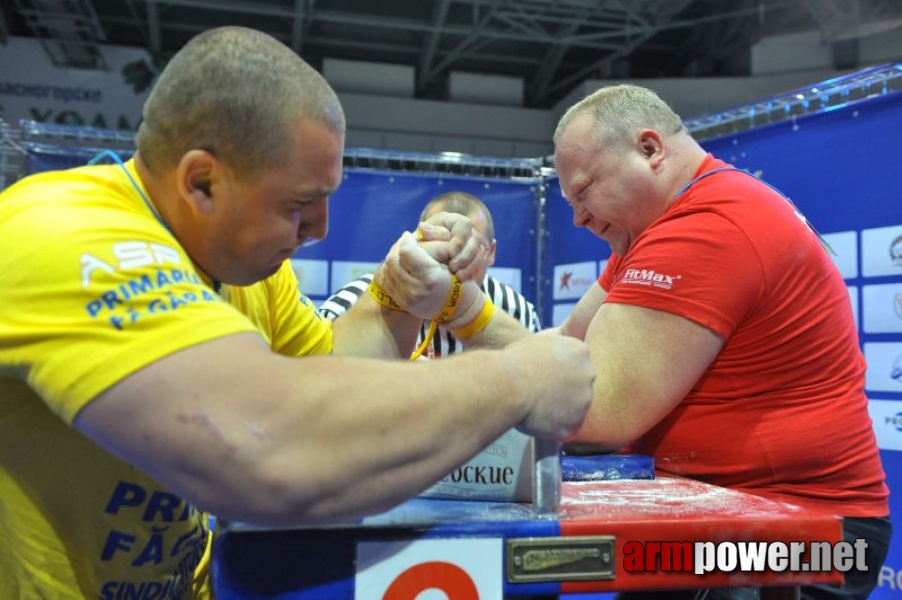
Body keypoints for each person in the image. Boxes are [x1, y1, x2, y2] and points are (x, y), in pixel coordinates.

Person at [0, 26, 596, 599]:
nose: (319, 229)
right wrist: (520, 377)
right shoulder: (71, 237)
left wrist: (395, 292)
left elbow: (335, 371)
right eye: (300, 204)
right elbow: (270, 449)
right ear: (201, 181)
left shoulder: (246, 268)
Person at [551, 83, 891, 599]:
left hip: (809, 533)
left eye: (584, 190)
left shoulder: (708, 225)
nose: (577, 217)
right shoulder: (654, 228)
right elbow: (564, 344)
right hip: (733, 515)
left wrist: (454, 406)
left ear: (649, 150)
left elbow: (596, 416)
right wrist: (465, 308)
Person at [319, 191, 542, 357]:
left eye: (472, 250)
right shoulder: (353, 300)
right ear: (419, 240)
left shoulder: (515, 310)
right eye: (441, 246)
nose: (454, 262)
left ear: (491, 253)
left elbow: (540, 389)